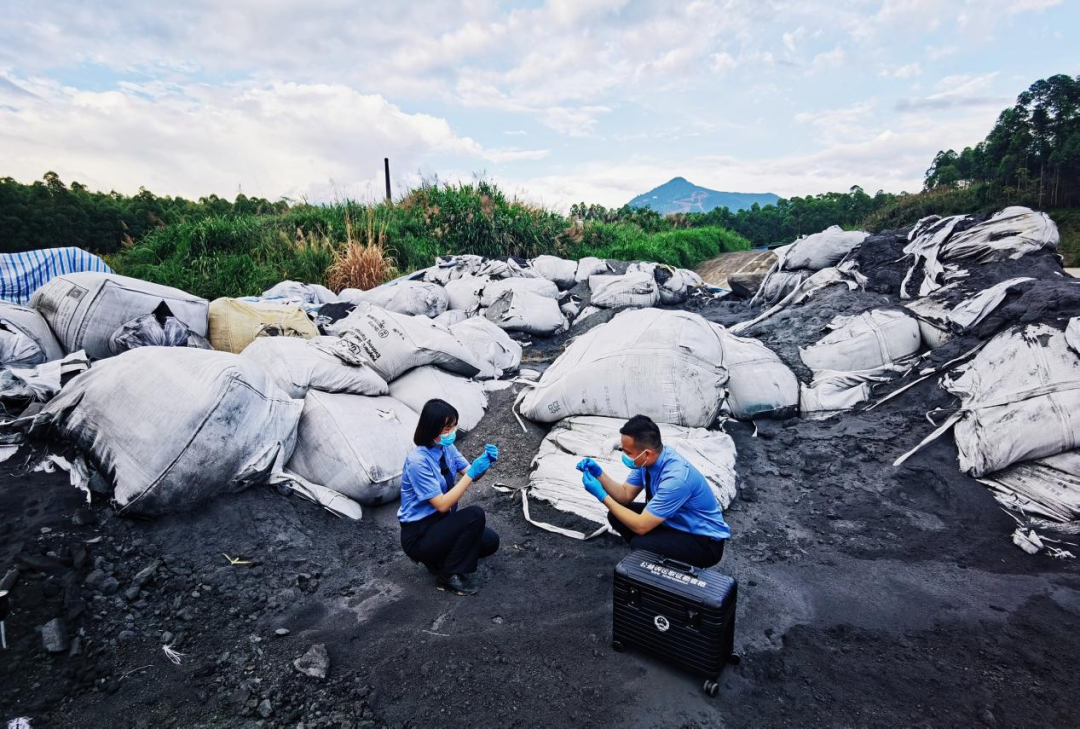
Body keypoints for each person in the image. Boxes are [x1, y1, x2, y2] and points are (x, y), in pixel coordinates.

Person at [577, 414, 729, 569]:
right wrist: (599, 474)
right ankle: (650, 557)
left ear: (647, 453)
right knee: (616, 516)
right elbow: (625, 495)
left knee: (640, 543)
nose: (624, 456)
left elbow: (641, 526)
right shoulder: (646, 462)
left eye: (628, 452)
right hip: (675, 522)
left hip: (703, 541)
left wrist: (602, 496)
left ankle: (663, 568)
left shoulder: (676, 479)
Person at [398, 398, 500, 596]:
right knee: (474, 515)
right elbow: (442, 505)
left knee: (490, 542)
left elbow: (472, 474)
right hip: (419, 532)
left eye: (454, 426)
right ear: (431, 428)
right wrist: (471, 475)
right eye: (446, 428)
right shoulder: (418, 461)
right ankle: (447, 576)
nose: (452, 432)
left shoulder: (447, 448)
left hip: (440, 525)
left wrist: (485, 463)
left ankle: (437, 560)